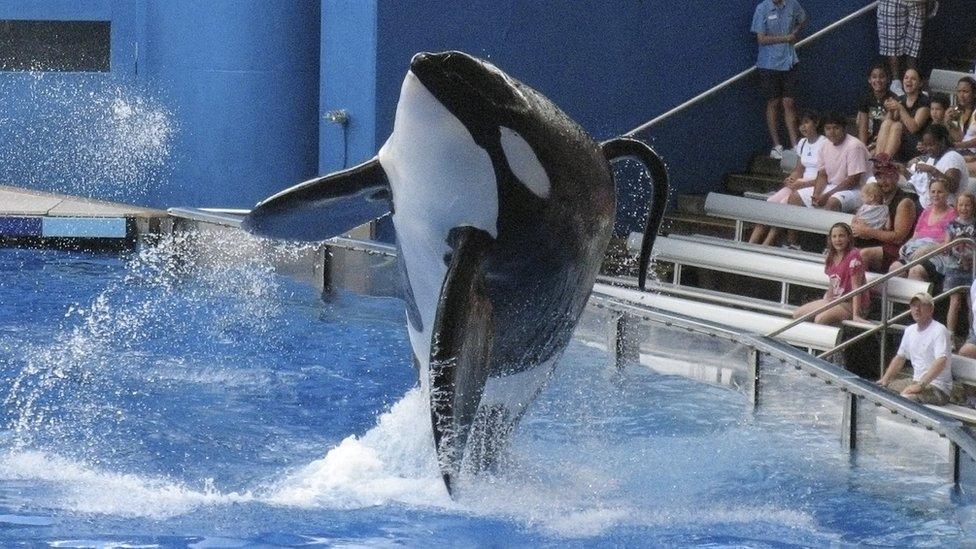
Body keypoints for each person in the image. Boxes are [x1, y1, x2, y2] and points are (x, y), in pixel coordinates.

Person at [749, 111, 824, 247]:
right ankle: (750, 244)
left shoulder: (824, 144)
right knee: (770, 202)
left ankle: (766, 245)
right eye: (801, 124)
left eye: (806, 122)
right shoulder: (802, 142)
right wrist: (791, 179)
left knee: (784, 204)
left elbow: (824, 176)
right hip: (798, 184)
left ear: (816, 123)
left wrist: (803, 184)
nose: (803, 127)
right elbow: (799, 169)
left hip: (814, 186)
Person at [752, 0, 807, 160]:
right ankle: (777, 146)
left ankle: (795, 144)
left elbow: (803, 19)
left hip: (789, 61)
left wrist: (795, 33)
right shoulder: (762, 9)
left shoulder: (793, 5)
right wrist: (785, 38)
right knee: (773, 103)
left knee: (788, 102)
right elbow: (761, 39)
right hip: (768, 64)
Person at [877, 292, 953, 405]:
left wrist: (920, 385)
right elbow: (900, 358)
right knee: (879, 391)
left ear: (931, 309)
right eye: (913, 306)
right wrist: (885, 379)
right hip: (915, 381)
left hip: (938, 387)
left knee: (907, 399)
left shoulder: (939, 330)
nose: (917, 309)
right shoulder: (909, 330)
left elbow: (941, 361)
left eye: (921, 305)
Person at [792, 222, 868, 324]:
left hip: (850, 303)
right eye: (834, 236)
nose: (838, 240)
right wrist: (827, 302)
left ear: (848, 238)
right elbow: (833, 283)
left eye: (841, 236)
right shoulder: (831, 256)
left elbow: (856, 287)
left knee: (821, 319)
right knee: (798, 314)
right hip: (836, 300)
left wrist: (856, 315)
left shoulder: (853, 256)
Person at [856, 154, 919, 272]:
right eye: (879, 177)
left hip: (898, 250)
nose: (883, 182)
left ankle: (862, 290)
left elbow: (898, 237)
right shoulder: (877, 196)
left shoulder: (905, 201)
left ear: (896, 177)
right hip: (878, 242)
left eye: (887, 177)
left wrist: (868, 231)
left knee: (863, 254)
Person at [889, 176, 955, 280]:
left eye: (940, 192)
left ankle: (916, 296)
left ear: (947, 193)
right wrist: (905, 246)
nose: (936, 195)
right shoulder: (926, 212)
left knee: (916, 270)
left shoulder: (953, 215)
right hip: (917, 251)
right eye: (933, 192)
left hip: (937, 255)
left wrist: (929, 249)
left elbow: (951, 245)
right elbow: (915, 237)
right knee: (895, 267)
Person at [930, 192, 976, 339]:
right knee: (954, 302)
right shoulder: (952, 225)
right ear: (956, 206)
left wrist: (969, 258)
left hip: (972, 269)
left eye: (967, 205)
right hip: (954, 268)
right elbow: (947, 245)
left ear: (973, 206)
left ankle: (972, 333)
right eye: (961, 204)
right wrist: (958, 254)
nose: (964, 208)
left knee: (972, 304)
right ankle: (950, 335)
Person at [811, 112, 870, 212]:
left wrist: (826, 195)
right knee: (795, 197)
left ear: (844, 129)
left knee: (831, 202)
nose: (832, 132)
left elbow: (853, 180)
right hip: (832, 187)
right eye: (828, 128)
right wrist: (816, 194)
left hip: (857, 190)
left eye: (836, 128)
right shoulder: (824, 145)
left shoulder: (854, 145)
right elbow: (822, 175)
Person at [904, 123, 971, 207]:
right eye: (926, 145)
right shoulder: (933, 157)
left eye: (931, 145)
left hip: (946, 209)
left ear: (942, 141)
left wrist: (932, 170)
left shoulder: (953, 157)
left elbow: (953, 187)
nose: (928, 148)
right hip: (928, 206)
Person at [875, 68, 930, 161]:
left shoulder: (924, 102)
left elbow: (914, 128)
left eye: (913, 79)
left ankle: (884, 162)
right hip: (897, 142)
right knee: (888, 123)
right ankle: (878, 161)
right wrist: (890, 110)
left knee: (897, 125)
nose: (908, 81)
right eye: (906, 78)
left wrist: (900, 108)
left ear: (920, 83)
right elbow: (886, 123)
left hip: (916, 143)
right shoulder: (900, 99)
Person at [876, 0, 927, 95]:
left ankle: (913, 82)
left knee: (915, 43)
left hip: (918, 2)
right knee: (891, 42)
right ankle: (896, 83)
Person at [857, 64, 897, 152]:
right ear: (869, 80)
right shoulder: (866, 99)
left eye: (882, 77)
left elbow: (890, 124)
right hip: (872, 140)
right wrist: (863, 149)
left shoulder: (893, 98)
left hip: (888, 141)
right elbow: (863, 127)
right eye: (874, 77)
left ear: (887, 79)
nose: (878, 80)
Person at [946, 76, 976, 145]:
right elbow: (961, 138)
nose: (961, 95)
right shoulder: (958, 112)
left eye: (965, 91)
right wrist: (949, 123)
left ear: (974, 94)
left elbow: (962, 143)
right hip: (963, 152)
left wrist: (960, 145)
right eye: (959, 91)